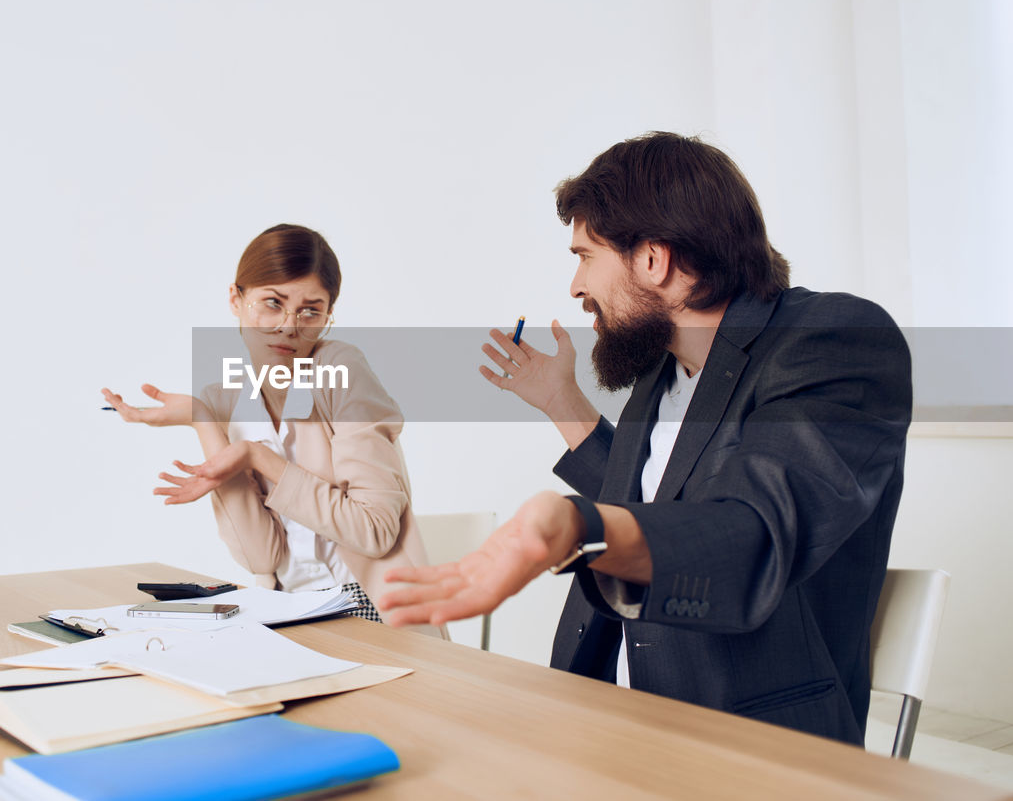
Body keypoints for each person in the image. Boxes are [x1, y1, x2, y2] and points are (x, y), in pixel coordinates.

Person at [379, 132, 911, 743]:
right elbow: (659, 508)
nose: (575, 287)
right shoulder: (664, 369)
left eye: (585, 256)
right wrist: (563, 403)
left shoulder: (835, 337)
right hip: (605, 716)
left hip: (743, 738)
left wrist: (579, 527)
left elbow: (750, 533)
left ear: (653, 259)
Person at [102, 223, 440, 635]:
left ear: (328, 316)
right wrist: (202, 419)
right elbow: (261, 558)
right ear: (236, 299)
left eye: (310, 310)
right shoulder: (225, 399)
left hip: (373, 612)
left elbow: (374, 532)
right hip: (287, 612)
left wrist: (258, 456)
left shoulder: (342, 371)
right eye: (272, 303)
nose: (288, 326)